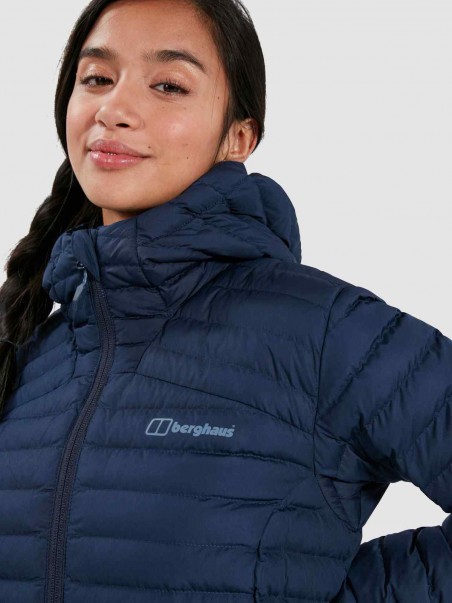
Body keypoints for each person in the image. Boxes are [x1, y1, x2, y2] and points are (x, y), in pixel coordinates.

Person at [0, 0, 450, 601]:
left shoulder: (325, 333)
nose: (113, 109)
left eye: (168, 85)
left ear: (238, 137)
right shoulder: (29, 356)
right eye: (98, 78)